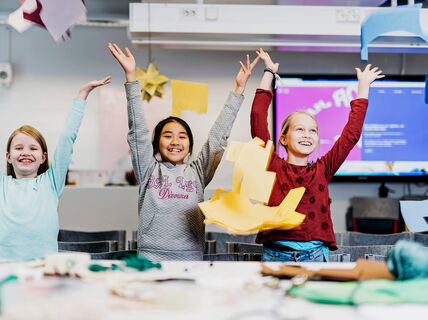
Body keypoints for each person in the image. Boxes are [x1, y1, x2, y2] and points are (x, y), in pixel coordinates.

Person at [108, 43, 259, 261]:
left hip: (191, 256)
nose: (175, 141)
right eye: (167, 135)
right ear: (157, 143)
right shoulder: (147, 169)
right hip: (151, 255)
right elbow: (138, 131)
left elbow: (218, 138)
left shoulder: (198, 172)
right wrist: (131, 77)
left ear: (189, 144)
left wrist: (238, 90)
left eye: (182, 136)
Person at [251, 49, 384, 262]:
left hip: (314, 255)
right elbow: (258, 118)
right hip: (276, 254)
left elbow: (351, 135)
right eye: (300, 130)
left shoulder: (322, 169)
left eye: (313, 130)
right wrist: (268, 72)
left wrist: (363, 88)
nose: (307, 135)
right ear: (283, 138)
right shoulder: (273, 165)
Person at [0, 76, 111, 261]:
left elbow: (67, 138)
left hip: (43, 267)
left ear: (43, 157)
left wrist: (82, 95)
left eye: (33, 148)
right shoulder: (3, 185)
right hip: (3, 266)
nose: (26, 152)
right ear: (8, 157)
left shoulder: (50, 182)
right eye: (19, 148)